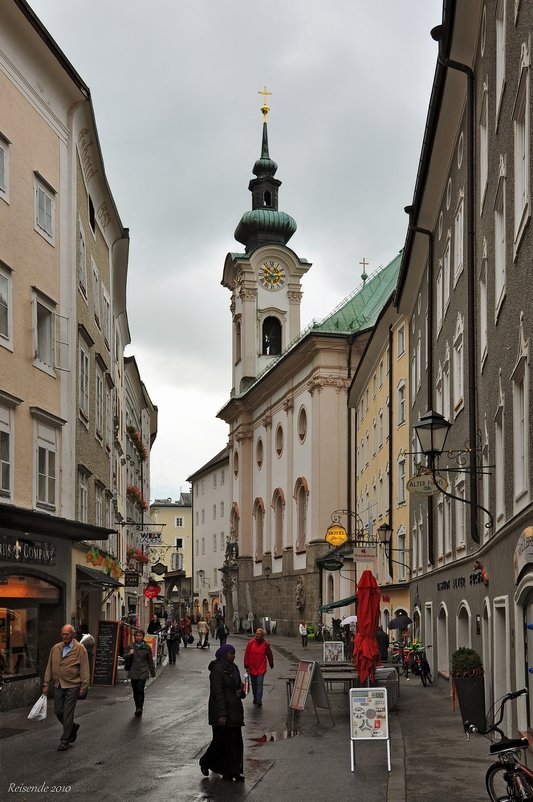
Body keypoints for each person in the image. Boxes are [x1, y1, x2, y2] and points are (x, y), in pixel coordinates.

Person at [199, 643, 245, 782]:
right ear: (224, 654)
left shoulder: (234, 668)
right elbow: (217, 693)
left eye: (234, 653)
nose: (233, 656)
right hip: (222, 711)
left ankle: (233, 770)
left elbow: (239, 685)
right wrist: (222, 714)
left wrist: (241, 692)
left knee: (235, 742)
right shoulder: (217, 670)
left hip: (235, 709)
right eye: (231, 653)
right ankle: (205, 761)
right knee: (220, 741)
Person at [43, 624, 90, 751]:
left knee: (68, 712)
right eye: (63, 634)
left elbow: (85, 669)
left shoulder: (80, 649)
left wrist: (84, 687)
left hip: (73, 684)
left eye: (67, 634)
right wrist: (46, 683)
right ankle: (72, 727)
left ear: (73, 634)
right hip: (58, 684)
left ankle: (65, 740)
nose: (64, 636)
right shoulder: (55, 648)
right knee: (58, 711)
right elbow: (49, 666)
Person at [123, 629, 156, 716]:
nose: (138, 637)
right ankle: (137, 706)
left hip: (143, 671)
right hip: (133, 671)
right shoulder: (130, 646)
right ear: (135, 637)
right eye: (137, 636)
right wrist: (129, 653)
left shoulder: (147, 648)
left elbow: (150, 661)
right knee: (135, 690)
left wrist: (152, 672)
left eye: (140, 636)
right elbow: (124, 656)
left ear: (143, 637)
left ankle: (140, 708)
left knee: (140, 689)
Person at [243, 628, 274, 708]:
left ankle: (259, 699)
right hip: (252, 667)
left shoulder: (265, 644)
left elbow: (269, 654)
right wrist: (246, 665)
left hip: (261, 667)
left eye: (259, 634)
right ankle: (255, 697)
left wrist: (271, 662)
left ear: (262, 636)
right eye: (256, 634)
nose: (257, 635)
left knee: (259, 683)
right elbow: (247, 654)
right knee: (254, 684)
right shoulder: (250, 643)